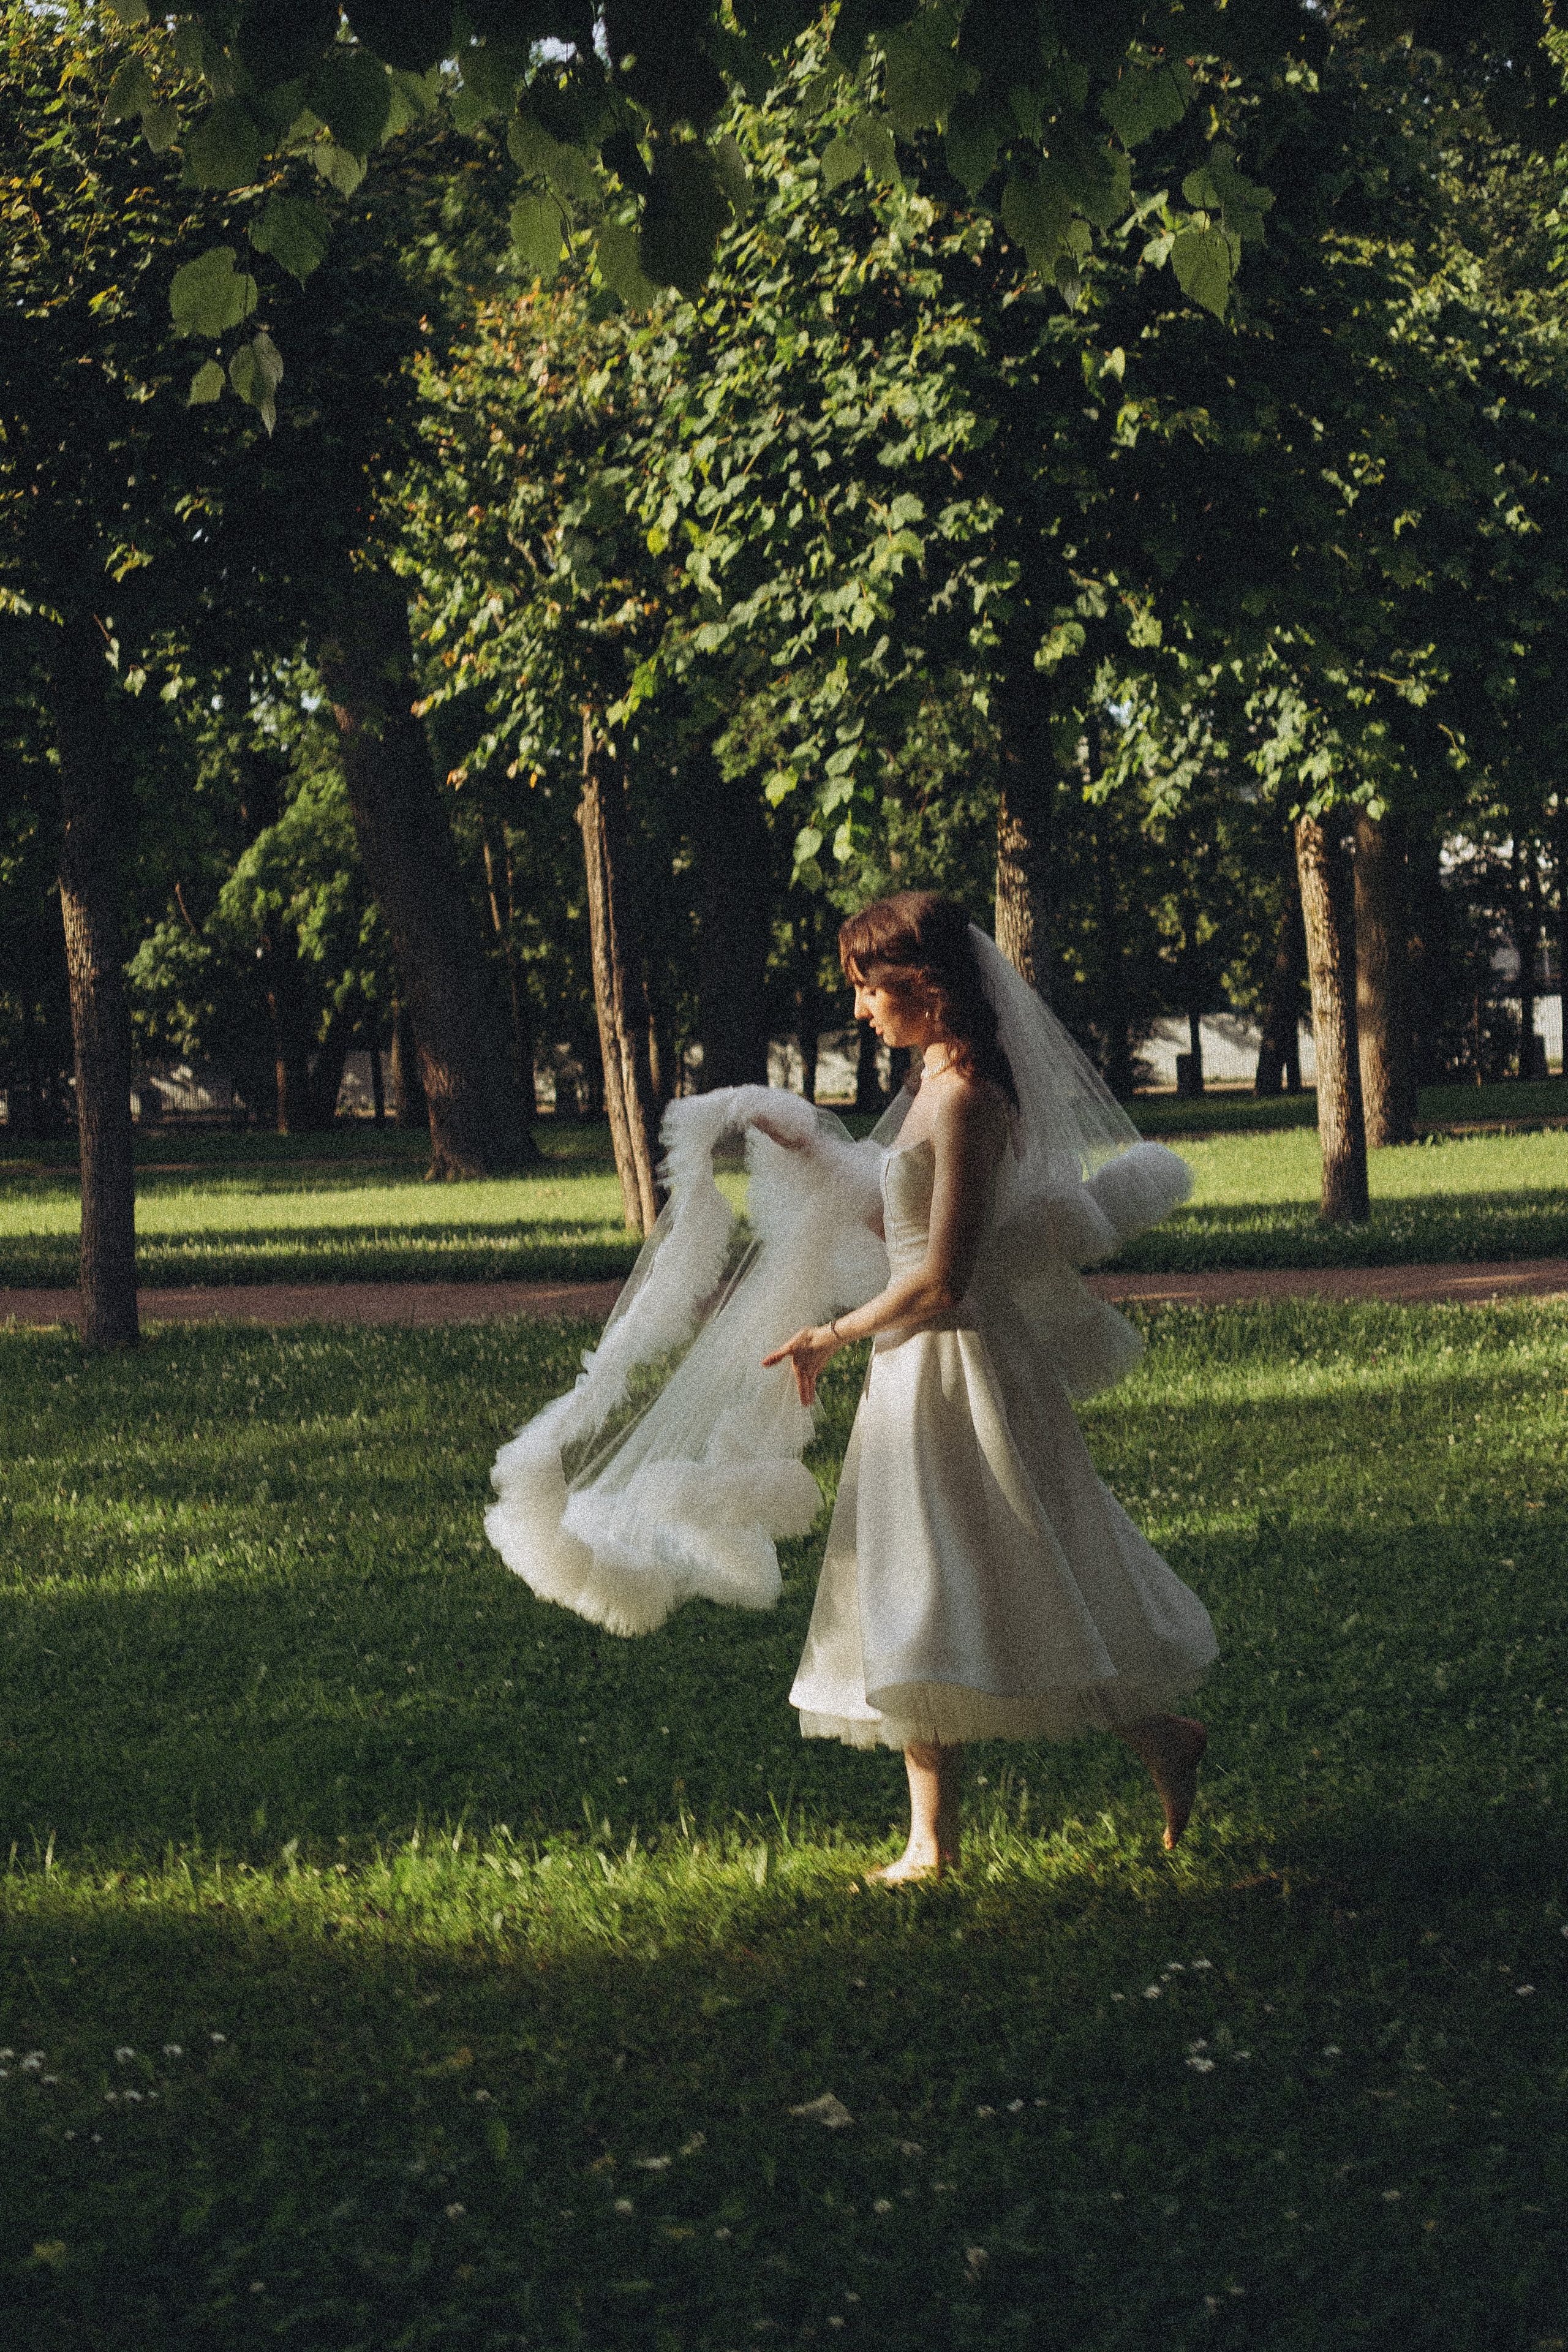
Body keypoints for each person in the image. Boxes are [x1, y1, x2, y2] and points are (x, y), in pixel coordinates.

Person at [762, 892, 1215, 1883]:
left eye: (871, 988)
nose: (860, 1008)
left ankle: (1156, 1736)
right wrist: (813, 1159)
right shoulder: (932, 1085)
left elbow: (943, 1278)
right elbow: (906, 1228)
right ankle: (934, 1842)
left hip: (960, 1367)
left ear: (924, 986)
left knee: (1016, 1571)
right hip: (913, 1367)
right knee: (923, 1583)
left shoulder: (968, 1098)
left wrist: (830, 1334)